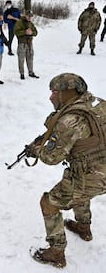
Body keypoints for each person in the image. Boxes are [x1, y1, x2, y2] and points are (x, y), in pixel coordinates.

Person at [26, 73, 106, 268]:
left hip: (94, 175)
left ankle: (56, 252)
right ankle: (83, 227)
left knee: (49, 203)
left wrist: (35, 149)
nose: (51, 97)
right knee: (79, 190)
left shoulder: (69, 121)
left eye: (54, 92)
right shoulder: (99, 104)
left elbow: (51, 158)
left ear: (66, 93)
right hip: (99, 169)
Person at [14, 10, 38, 80]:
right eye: (28, 16)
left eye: (31, 16)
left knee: (30, 57)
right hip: (22, 43)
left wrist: (31, 33)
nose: (29, 18)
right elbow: (16, 32)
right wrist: (25, 32)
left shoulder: (31, 24)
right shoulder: (19, 22)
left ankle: (31, 72)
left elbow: (36, 32)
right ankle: (22, 73)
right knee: (21, 59)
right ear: (25, 15)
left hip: (30, 43)